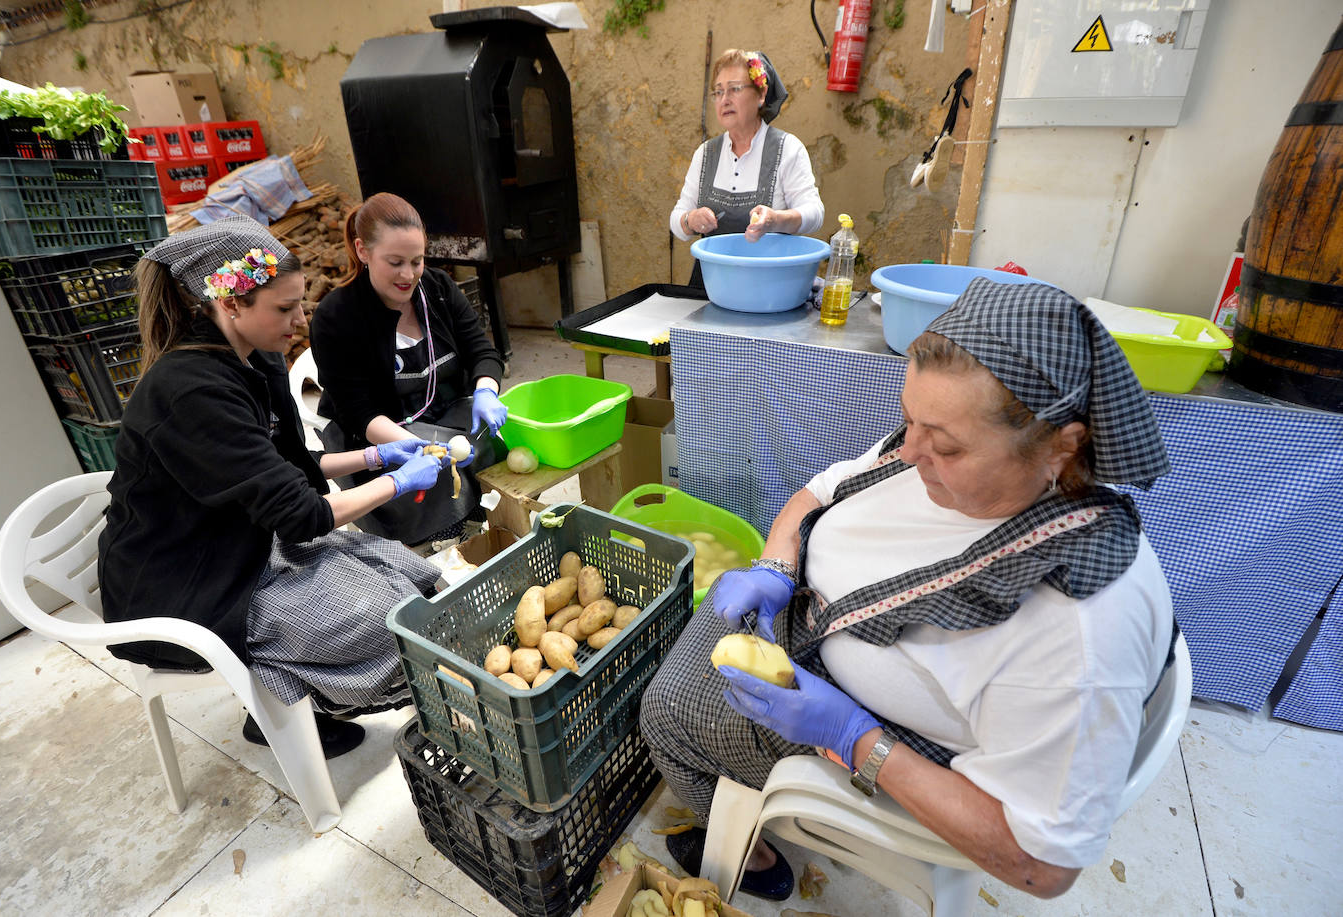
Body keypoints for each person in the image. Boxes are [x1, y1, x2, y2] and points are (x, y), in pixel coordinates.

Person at [640, 279, 1177, 901]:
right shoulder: (933, 449)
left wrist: (852, 736)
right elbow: (822, 489)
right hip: (806, 623)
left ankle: (752, 858)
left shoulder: (1076, 633)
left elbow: (1042, 866)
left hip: (866, 733)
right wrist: (778, 565)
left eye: (945, 446)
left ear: (1063, 446)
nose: (912, 451)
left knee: (665, 716)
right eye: (907, 421)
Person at [99, 215, 458, 758]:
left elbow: (290, 467)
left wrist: (377, 453)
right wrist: (398, 482)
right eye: (285, 309)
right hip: (184, 581)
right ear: (231, 304)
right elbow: (301, 515)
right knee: (386, 622)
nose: (300, 322)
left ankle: (286, 702)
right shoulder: (187, 389)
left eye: (300, 304)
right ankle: (286, 702)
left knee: (415, 574)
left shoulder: (256, 359)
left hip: (237, 538)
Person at [310, 192, 507, 550]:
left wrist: (486, 391)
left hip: (447, 412)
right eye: (395, 262)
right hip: (381, 437)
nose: (409, 274)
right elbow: (359, 414)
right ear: (363, 251)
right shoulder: (337, 318)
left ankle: (492, 532)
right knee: (441, 480)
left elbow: (483, 351)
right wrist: (412, 445)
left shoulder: (438, 290)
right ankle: (437, 550)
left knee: (500, 446)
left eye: (416, 261)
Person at [669, 49, 825, 288]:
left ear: (761, 94)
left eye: (735, 89)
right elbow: (677, 220)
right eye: (718, 92)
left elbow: (814, 213)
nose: (725, 99)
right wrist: (690, 220)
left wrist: (775, 220)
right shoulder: (705, 154)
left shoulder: (787, 149)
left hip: (768, 288)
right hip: (710, 287)